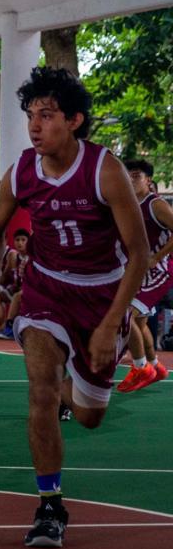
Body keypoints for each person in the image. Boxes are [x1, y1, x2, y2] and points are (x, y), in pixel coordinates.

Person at [0, 66, 148, 549]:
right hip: (45, 290)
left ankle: (78, 381)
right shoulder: (22, 172)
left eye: (47, 115)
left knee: (91, 415)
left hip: (101, 294)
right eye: (31, 115)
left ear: (74, 120)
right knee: (39, 389)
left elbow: (137, 254)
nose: (35, 125)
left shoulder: (105, 170)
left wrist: (111, 323)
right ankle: (50, 506)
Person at [116, 160, 173, 392]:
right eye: (127, 175)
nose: (130, 179)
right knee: (139, 322)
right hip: (138, 272)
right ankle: (156, 366)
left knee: (124, 316)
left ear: (148, 180)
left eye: (136, 175)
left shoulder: (155, 204)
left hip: (158, 272)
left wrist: (157, 257)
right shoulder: (128, 205)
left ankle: (141, 368)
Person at [0, 229, 30, 340]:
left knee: (17, 297)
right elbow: (7, 279)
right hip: (19, 289)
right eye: (17, 240)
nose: (20, 243)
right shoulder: (14, 257)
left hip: (33, 290)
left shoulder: (33, 257)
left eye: (23, 240)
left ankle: (9, 328)